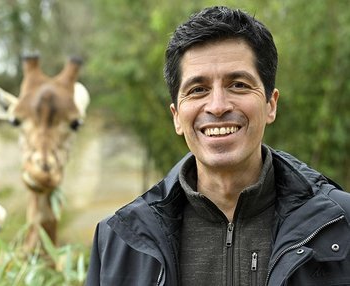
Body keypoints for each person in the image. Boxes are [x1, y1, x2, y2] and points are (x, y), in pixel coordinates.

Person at [86, 6, 350, 286]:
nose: (218, 106)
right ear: (176, 116)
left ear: (271, 105)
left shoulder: (341, 226)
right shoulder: (119, 241)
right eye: (198, 89)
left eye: (238, 85)